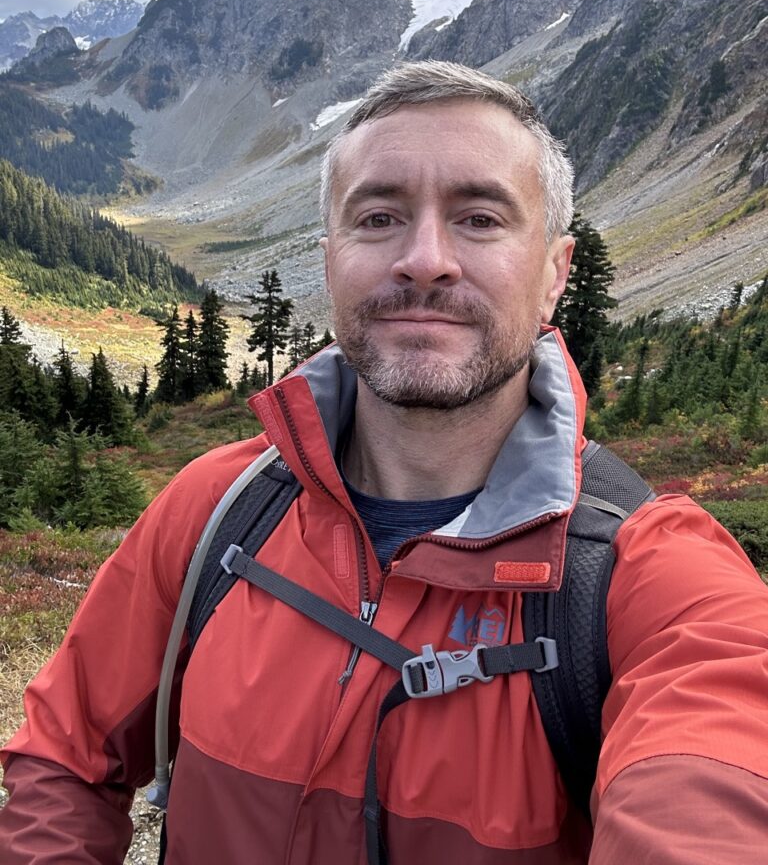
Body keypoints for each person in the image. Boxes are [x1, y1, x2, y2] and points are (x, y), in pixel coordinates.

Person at [2, 60, 768, 864]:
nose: (425, 259)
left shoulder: (652, 582)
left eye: (479, 218)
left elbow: (715, 794)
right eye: (377, 218)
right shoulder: (215, 508)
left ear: (554, 274)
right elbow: (62, 758)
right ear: (331, 261)